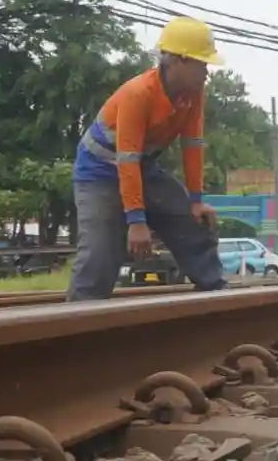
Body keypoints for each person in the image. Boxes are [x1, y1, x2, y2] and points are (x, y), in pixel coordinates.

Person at [67, 16, 228, 301]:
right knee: (101, 253)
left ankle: (216, 294)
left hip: (141, 168)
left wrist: (195, 200)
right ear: (178, 61)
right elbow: (125, 159)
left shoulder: (193, 94)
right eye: (202, 63)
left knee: (190, 222)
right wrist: (137, 221)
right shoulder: (137, 93)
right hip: (99, 173)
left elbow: (192, 144)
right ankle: (76, 321)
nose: (207, 71)